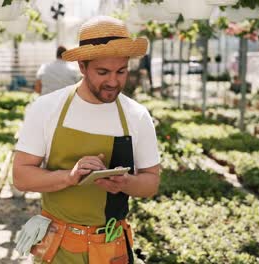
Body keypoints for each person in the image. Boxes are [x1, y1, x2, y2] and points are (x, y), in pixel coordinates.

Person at [13, 16, 160, 264]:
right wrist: (68, 177)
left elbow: (151, 182)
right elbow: (21, 177)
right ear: (82, 66)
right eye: (103, 72)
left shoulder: (137, 115)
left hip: (112, 247)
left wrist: (125, 183)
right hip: (57, 247)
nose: (113, 81)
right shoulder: (47, 108)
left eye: (121, 71)